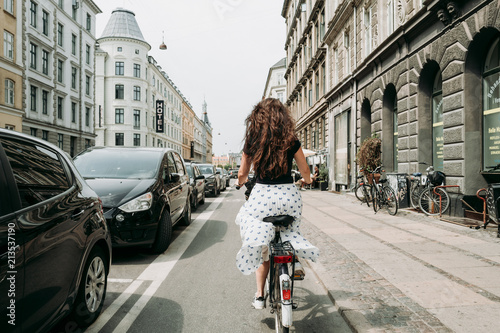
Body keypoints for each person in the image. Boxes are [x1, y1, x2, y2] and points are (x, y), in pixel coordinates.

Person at [235, 98, 320, 309]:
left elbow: (243, 173)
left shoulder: (252, 140)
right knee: (291, 230)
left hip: (261, 198)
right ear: (283, 118)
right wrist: (308, 181)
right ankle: (295, 260)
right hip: (289, 198)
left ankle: (260, 295)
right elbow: (305, 171)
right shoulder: (291, 140)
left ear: (256, 118)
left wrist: (240, 181)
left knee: (262, 243)